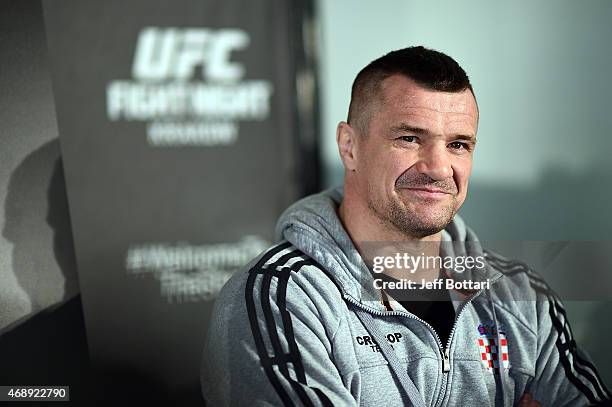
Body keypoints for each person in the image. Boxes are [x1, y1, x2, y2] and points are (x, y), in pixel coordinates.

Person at [201, 46, 611, 406]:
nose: (438, 168)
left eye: (458, 145)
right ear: (350, 147)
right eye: (410, 138)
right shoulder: (281, 299)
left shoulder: (522, 295)